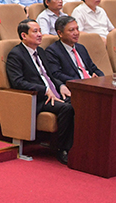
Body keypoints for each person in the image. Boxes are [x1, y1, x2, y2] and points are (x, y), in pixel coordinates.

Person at [6, 20, 74, 163]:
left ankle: (77, 145)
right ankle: (62, 149)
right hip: (37, 98)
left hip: (54, 92)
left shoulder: (41, 52)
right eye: (35, 31)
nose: (40, 35)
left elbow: (50, 75)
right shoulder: (16, 54)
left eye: (40, 31)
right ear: (24, 35)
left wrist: (60, 85)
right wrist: (44, 90)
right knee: (67, 108)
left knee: (82, 101)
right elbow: (18, 82)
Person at [43, 16, 104, 90]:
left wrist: (100, 77)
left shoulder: (81, 48)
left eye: (77, 29)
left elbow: (93, 68)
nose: (76, 33)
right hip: (75, 88)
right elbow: (56, 74)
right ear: (60, 33)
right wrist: (82, 81)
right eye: (72, 30)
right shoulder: (52, 51)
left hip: (91, 85)